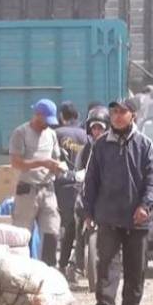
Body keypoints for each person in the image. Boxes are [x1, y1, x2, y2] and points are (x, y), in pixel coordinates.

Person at [82, 97, 153, 305]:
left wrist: (145, 206)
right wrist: (88, 211)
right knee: (106, 262)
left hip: (137, 218)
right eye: (114, 112)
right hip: (108, 216)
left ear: (132, 115)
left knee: (135, 265)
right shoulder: (101, 146)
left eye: (122, 112)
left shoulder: (144, 145)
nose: (116, 116)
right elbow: (91, 181)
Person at [9, 99, 65, 266]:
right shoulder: (21, 133)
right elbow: (16, 163)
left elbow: (56, 158)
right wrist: (42, 163)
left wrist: (56, 167)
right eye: (45, 121)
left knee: (51, 231)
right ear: (37, 115)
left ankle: (48, 270)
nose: (47, 125)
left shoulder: (51, 134)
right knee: (21, 236)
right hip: (27, 190)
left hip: (47, 189)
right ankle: (20, 271)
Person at [74, 109, 122, 298]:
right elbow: (78, 169)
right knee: (75, 221)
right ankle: (77, 263)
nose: (96, 132)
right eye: (93, 128)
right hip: (91, 195)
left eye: (100, 128)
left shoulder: (116, 147)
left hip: (112, 196)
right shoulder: (86, 150)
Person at [55, 102, 90, 283]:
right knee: (79, 227)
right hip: (82, 184)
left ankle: (62, 265)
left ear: (62, 116)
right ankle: (77, 265)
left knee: (67, 226)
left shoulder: (57, 134)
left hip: (63, 185)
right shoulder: (86, 136)